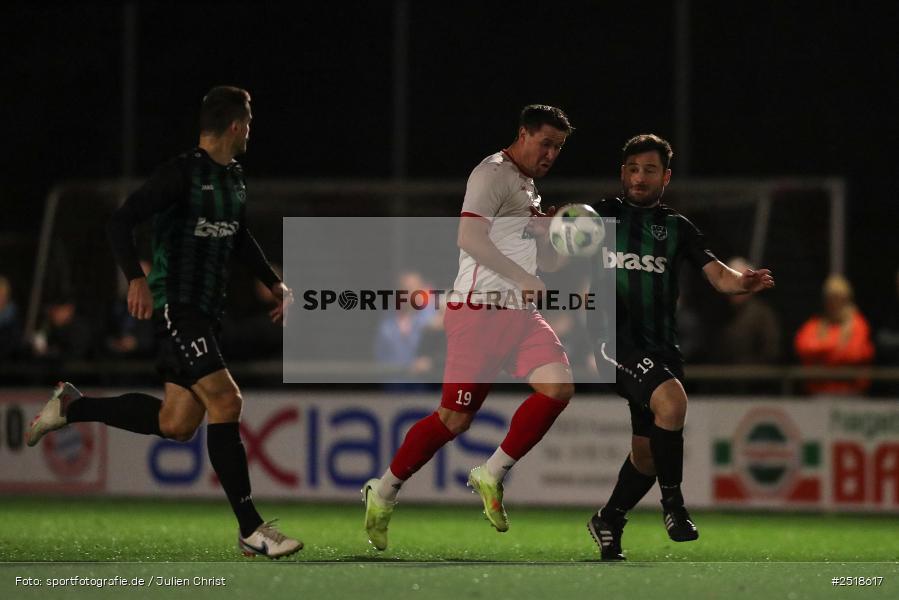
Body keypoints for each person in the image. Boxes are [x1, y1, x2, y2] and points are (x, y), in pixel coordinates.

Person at [24, 86, 302, 559]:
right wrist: (135, 278)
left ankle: (72, 407)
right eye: (249, 123)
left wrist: (271, 281)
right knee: (227, 399)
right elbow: (120, 222)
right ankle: (251, 529)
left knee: (175, 424)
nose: (250, 132)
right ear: (236, 125)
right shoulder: (181, 174)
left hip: (206, 314)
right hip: (178, 307)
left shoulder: (234, 178)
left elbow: (238, 237)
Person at [362, 105, 576, 551]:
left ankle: (492, 472)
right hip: (479, 311)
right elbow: (468, 239)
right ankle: (382, 492)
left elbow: (550, 264)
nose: (551, 153)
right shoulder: (492, 173)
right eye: (545, 143)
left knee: (559, 387)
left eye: (558, 146)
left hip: (520, 315)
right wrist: (523, 277)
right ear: (523, 133)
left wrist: (550, 236)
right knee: (454, 420)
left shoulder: (529, 188)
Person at [585, 134, 775, 560]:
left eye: (649, 169)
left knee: (648, 455)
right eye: (632, 168)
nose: (639, 177)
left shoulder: (676, 228)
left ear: (665, 177)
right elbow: (560, 229)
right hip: (612, 341)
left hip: (661, 349)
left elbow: (720, 276)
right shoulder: (601, 215)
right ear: (622, 173)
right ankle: (674, 507)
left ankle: (609, 518)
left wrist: (743, 283)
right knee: (672, 404)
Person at [794, 274, 874, 395]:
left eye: (838, 298)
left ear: (846, 299)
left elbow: (854, 354)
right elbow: (803, 347)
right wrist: (837, 349)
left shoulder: (858, 324)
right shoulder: (816, 323)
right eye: (830, 299)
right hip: (818, 392)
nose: (833, 303)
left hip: (851, 392)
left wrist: (822, 354)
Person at [716, 256, 781, 364]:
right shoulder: (719, 312)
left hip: (754, 377)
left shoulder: (762, 315)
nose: (737, 286)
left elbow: (771, 351)